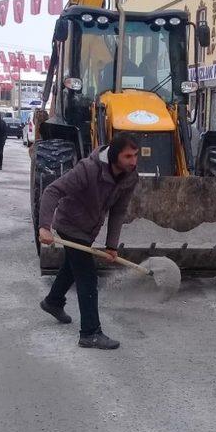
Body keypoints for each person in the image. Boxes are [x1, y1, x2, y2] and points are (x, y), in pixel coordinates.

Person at [38, 134, 139, 350]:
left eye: (135, 155)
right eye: (128, 156)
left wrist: (112, 246)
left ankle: (53, 302)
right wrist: (44, 227)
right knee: (87, 277)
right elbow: (52, 191)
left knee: (72, 267)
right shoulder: (88, 169)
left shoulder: (130, 176)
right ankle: (90, 333)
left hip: (90, 227)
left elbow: (119, 211)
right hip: (70, 224)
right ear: (114, 156)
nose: (133, 161)